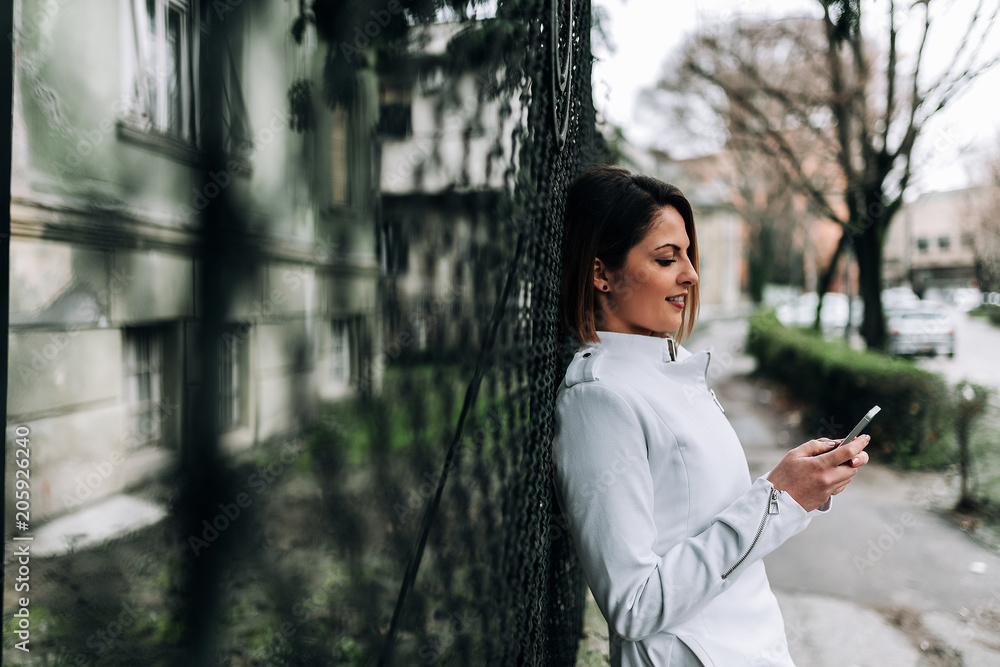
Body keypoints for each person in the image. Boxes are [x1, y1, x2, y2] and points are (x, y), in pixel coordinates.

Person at [551, 165, 870, 666]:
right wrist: (777, 499)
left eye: (688, 255)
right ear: (600, 274)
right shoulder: (600, 399)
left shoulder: (667, 371)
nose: (691, 274)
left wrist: (799, 485)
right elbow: (633, 604)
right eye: (665, 258)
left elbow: (704, 516)